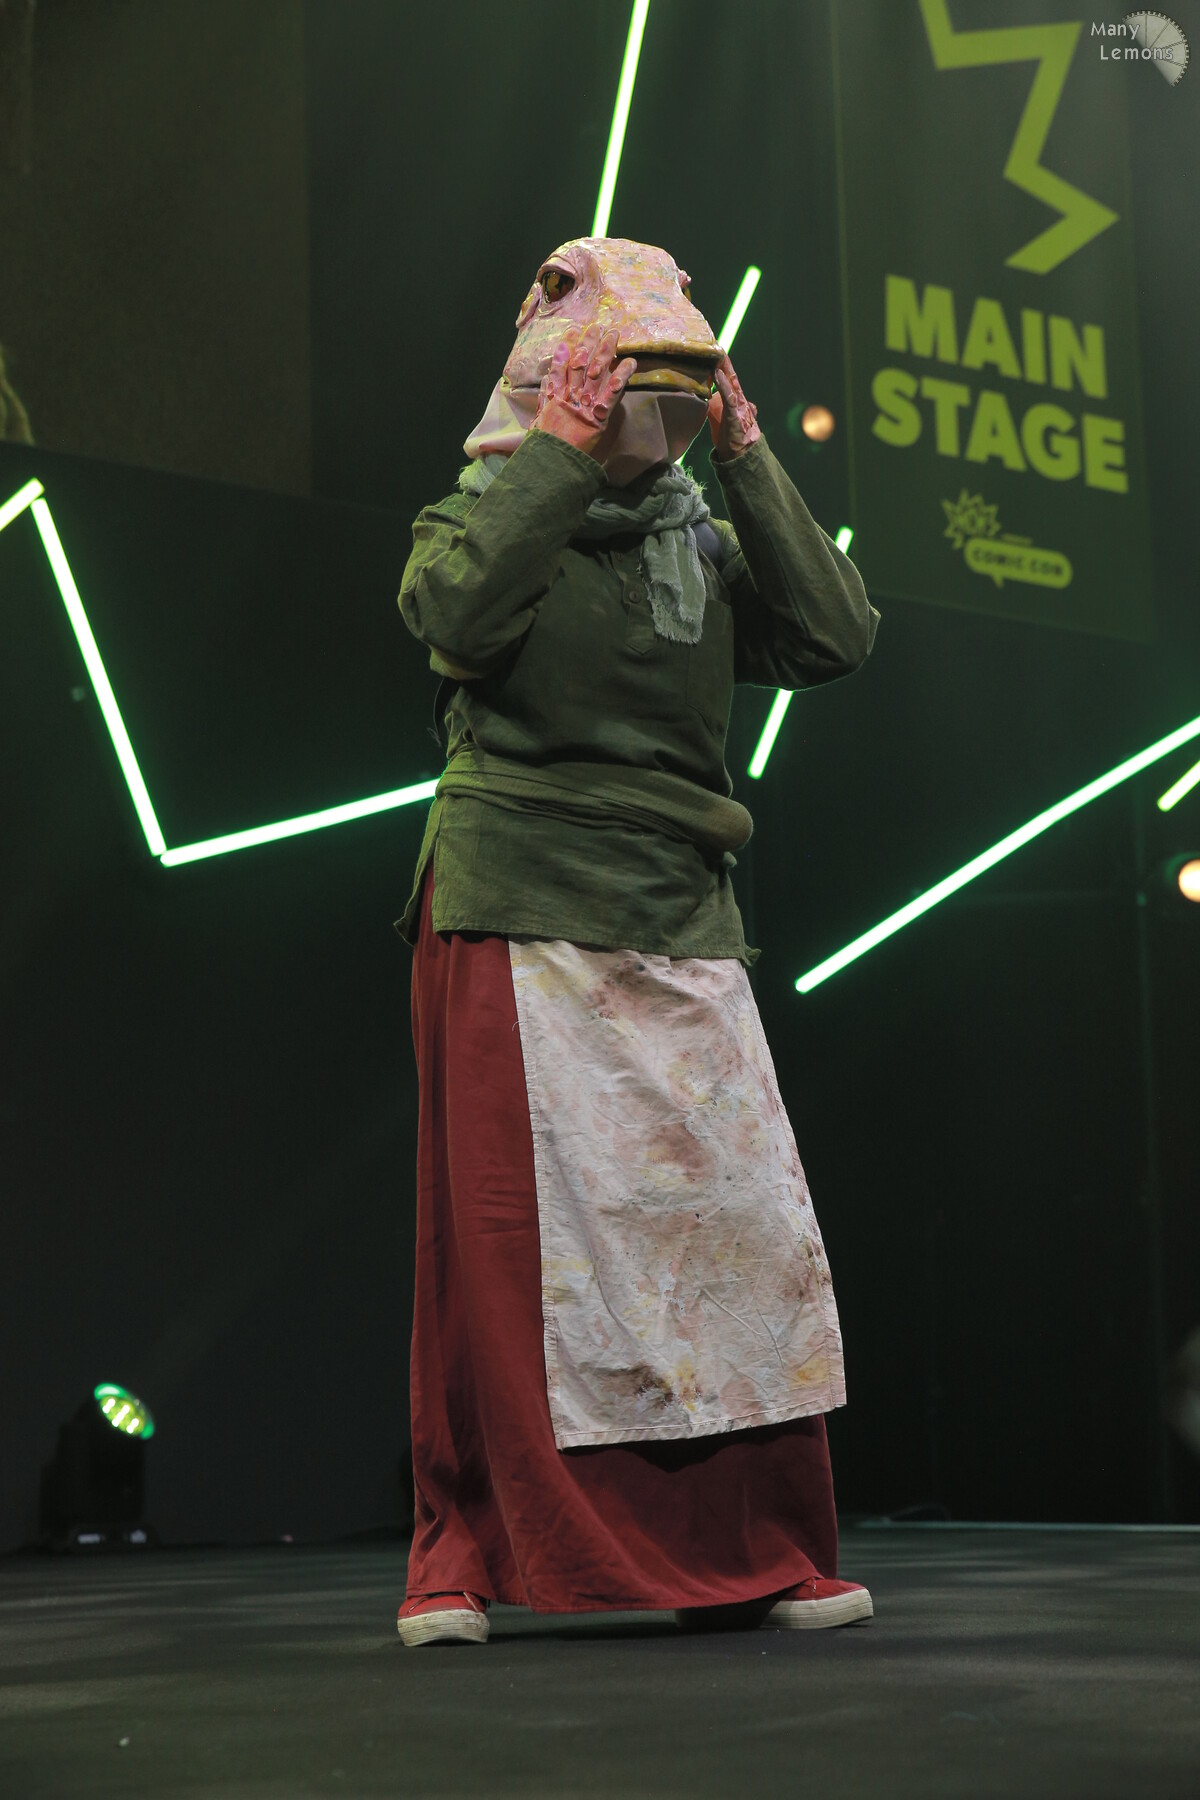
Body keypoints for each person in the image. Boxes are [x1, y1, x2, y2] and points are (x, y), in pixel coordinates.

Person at [392, 237, 880, 1648]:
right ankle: (462, 1556)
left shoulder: (702, 540)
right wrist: (556, 450)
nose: (636, 413)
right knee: (513, 1261)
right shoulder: (476, 515)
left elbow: (836, 635)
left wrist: (745, 451)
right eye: (617, 383)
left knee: (736, 1245)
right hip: (519, 899)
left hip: (679, 915)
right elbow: (456, 618)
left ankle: (755, 1547)